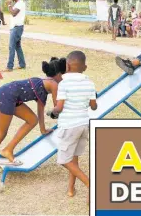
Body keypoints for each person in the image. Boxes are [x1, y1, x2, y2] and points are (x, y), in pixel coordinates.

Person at [0, 57, 66, 181]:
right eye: (63, 76)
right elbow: (57, 108)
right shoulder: (54, 84)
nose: (63, 79)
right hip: (7, 97)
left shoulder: (43, 82)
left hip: (9, 95)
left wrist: (43, 130)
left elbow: (40, 109)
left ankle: (8, 149)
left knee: (32, 120)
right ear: (58, 74)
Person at [50, 51, 97, 202]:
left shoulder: (63, 84)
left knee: (64, 160)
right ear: (86, 67)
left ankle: (91, 184)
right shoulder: (90, 83)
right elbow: (94, 106)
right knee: (73, 159)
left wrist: (53, 112)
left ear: (67, 66)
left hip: (69, 126)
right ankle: (71, 189)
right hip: (83, 125)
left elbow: (60, 107)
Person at [6, 0, 26, 72]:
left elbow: (14, 13)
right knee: (17, 46)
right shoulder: (17, 4)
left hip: (16, 28)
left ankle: (9, 66)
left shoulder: (20, 3)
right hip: (16, 27)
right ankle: (22, 64)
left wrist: (9, 5)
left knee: (12, 47)